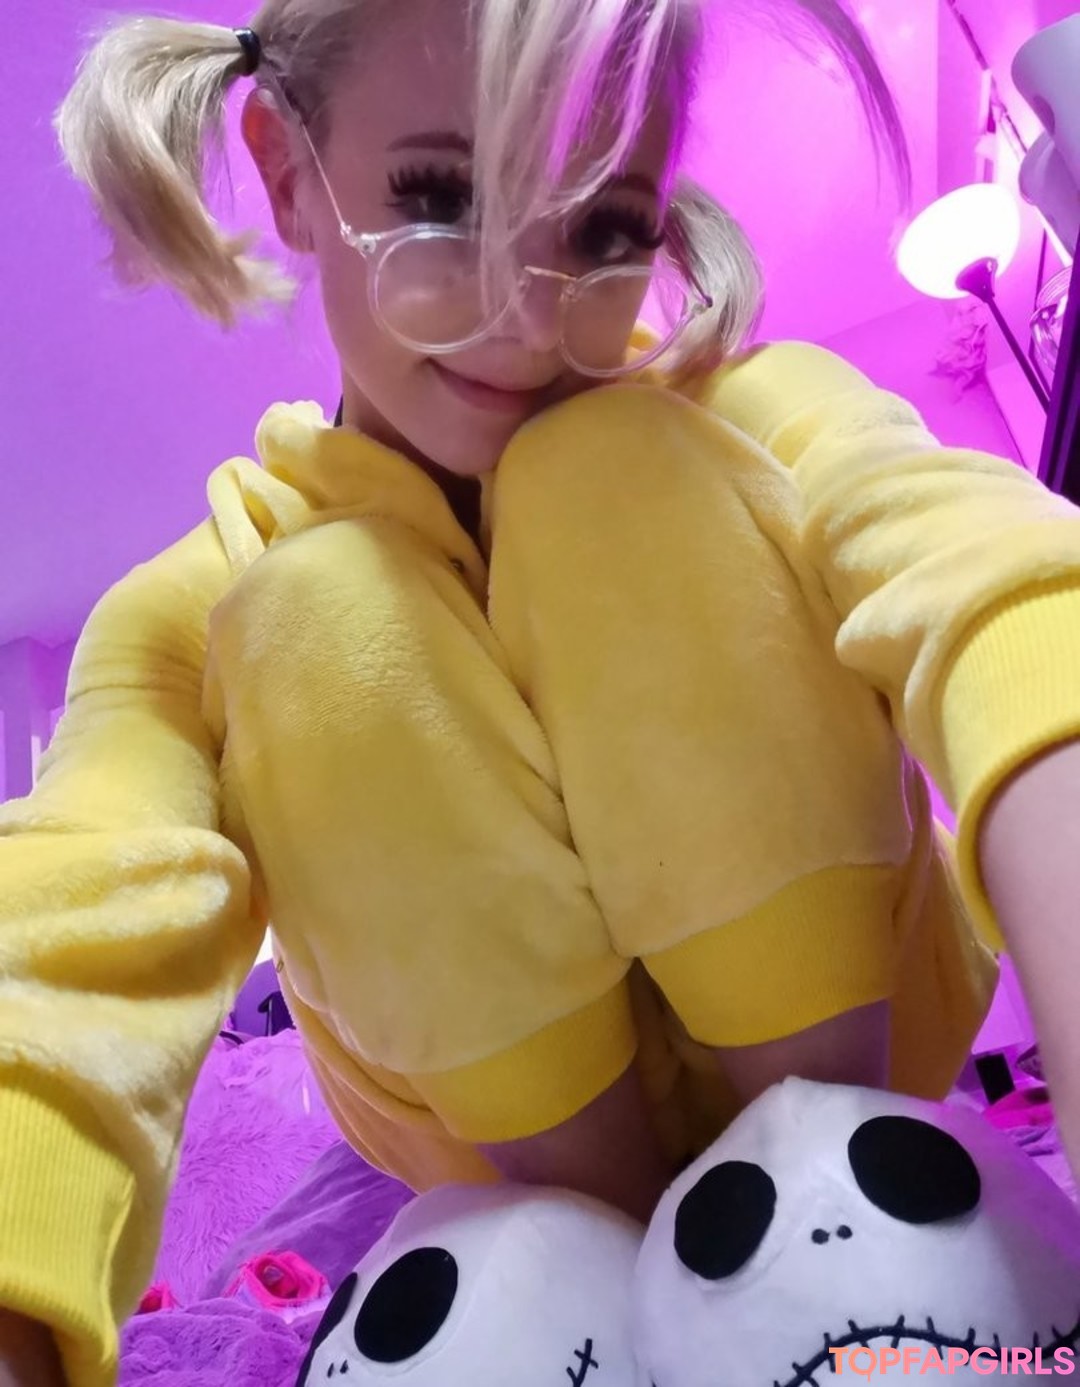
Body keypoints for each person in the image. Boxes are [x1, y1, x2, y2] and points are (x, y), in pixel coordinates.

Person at [2, 0, 1079, 1383]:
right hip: (520, 1194)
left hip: (869, 1065)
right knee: (311, 605)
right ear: (286, 170)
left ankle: (831, 1166)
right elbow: (80, 908)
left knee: (614, 469)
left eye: (607, 228)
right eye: (441, 200)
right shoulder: (192, 603)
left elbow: (993, 579)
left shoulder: (745, 410)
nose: (525, 320)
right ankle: (610, 1242)